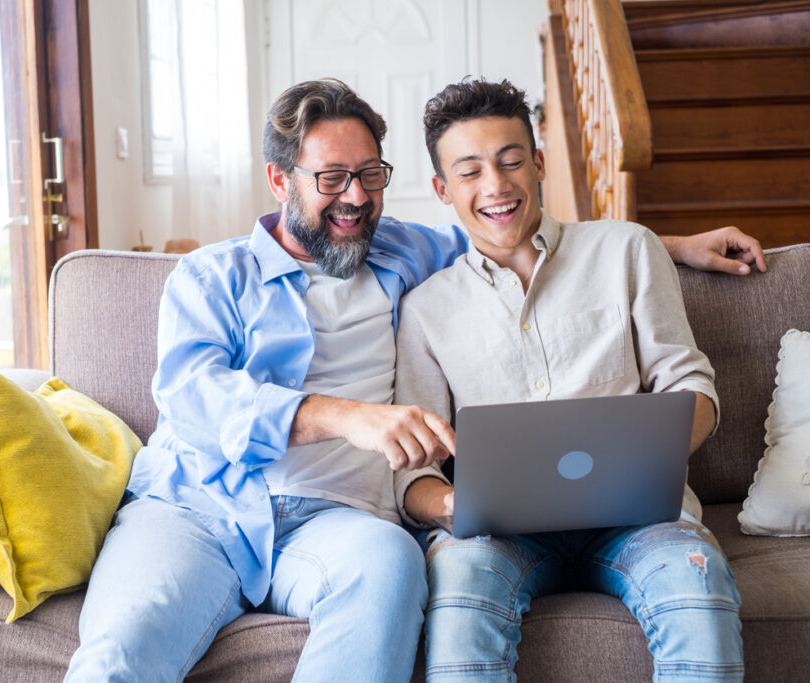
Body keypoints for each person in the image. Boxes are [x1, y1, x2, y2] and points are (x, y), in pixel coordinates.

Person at [65, 78, 762, 682]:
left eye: (370, 174)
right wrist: (344, 416)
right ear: (280, 181)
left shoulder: (402, 251)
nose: (355, 198)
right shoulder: (211, 277)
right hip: (200, 507)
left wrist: (672, 247)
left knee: (391, 570)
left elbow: (516, 233)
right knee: (123, 650)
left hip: (337, 520)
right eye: (331, 177)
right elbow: (191, 398)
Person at [395, 77, 748, 681]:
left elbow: (693, 387)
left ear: (538, 163)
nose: (496, 186)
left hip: (643, 520)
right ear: (442, 189)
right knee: (458, 581)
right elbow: (412, 474)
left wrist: (647, 459)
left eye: (511, 162)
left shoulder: (626, 250)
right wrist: (451, 505)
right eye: (471, 171)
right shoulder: (427, 309)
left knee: (697, 578)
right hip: (501, 537)